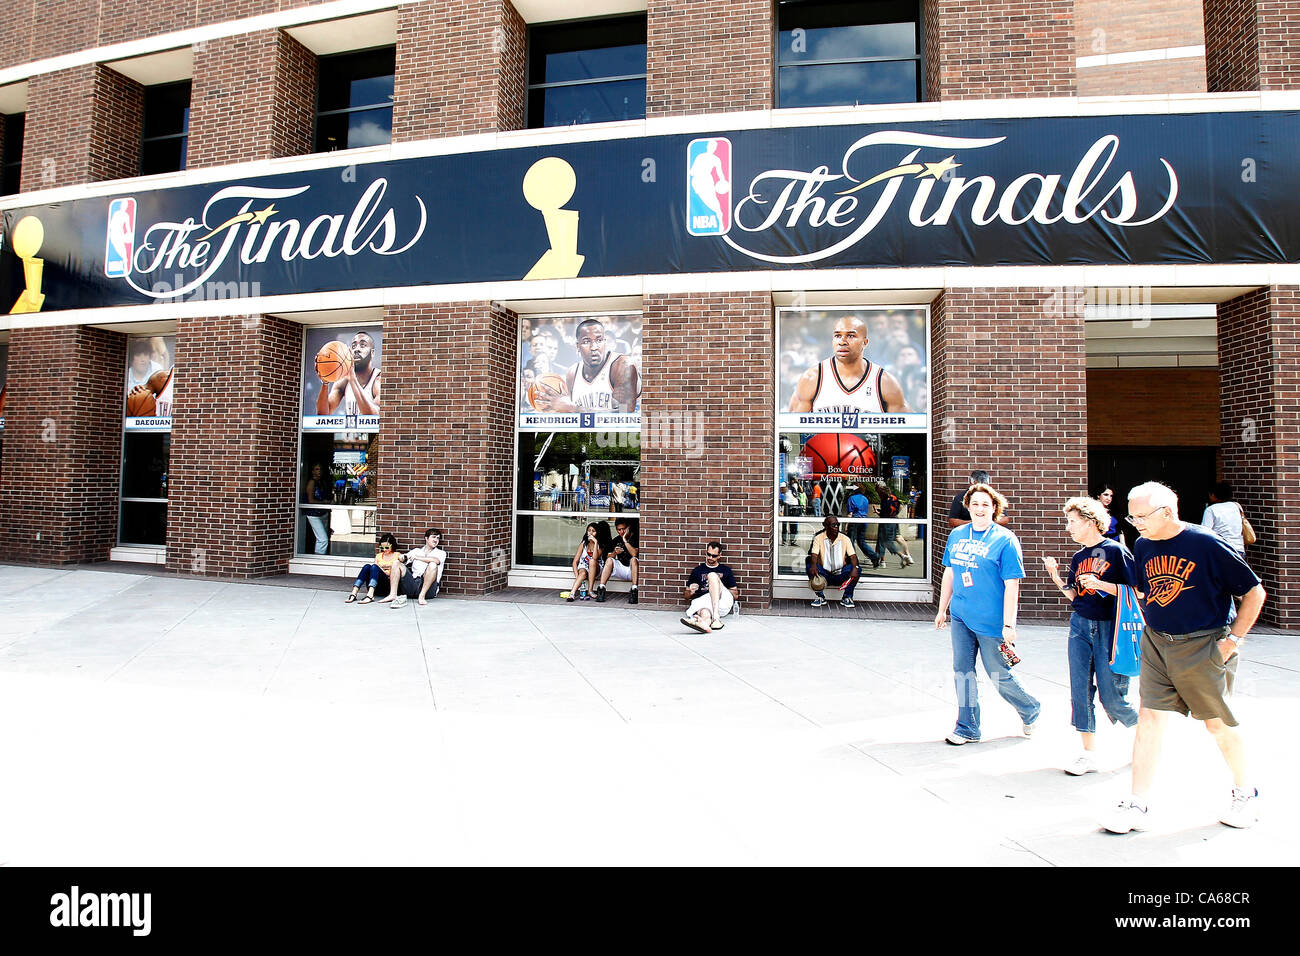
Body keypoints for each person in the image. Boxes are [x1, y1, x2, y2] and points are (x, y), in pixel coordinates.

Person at [1100, 482, 1266, 833]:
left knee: (1217, 724)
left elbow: (1254, 591)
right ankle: (1137, 803)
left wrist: (1232, 640)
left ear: (1166, 512)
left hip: (1203, 643)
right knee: (1149, 720)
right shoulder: (1143, 544)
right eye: (1131, 515)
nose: (1135, 522)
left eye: (1141, 515)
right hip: (1158, 643)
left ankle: (1245, 793)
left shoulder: (1205, 542)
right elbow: (1146, 589)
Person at [935, 482, 1041, 745]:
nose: (980, 509)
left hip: (991, 621)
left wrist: (1009, 624)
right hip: (961, 615)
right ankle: (967, 727)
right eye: (975, 504)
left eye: (985, 504)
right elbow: (950, 571)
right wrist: (942, 608)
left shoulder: (1004, 539)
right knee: (962, 670)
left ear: (995, 508)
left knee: (999, 674)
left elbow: (1012, 583)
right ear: (968, 507)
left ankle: (1030, 708)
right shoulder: (957, 535)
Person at [1041, 497, 1139, 775]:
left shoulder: (1116, 551)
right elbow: (1074, 595)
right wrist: (1056, 576)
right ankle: (1088, 754)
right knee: (1080, 690)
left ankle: (1146, 736)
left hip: (1109, 627)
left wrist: (1102, 585)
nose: (1068, 527)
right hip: (1080, 624)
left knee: (1112, 695)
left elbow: (1137, 592)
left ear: (1090, 521)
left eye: (1073, 521)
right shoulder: (1079, 556)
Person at [788, 314, 912, 414]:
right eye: (837, 336)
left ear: (865, 342)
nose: (842, 342)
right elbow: (791, 432)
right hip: (823, 445)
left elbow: (908, 433)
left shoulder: (884, 382)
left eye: (850, 336)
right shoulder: (812, 378)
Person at [532, 319, 640, 413]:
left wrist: (573, 408)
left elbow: (624, 414)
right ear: (577, 346)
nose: (594, 347)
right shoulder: (572, 373)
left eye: (599, 340)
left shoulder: (623, 365)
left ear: (605, 342)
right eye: (586, 341)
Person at [316, 331, 381, 417]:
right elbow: (323, 414)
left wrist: (353, 380)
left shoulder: (378, 380)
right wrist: (325, 382)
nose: (357, 349)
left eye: (363, 345)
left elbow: (374, 416)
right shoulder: (344, 381)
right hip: (349, 430)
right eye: (353, 346)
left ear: (372, 353)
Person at [681, 541, 738, 633]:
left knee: (712, 575)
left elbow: (735, 595)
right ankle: (705, 625)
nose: (710, 558)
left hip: (722, 601)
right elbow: (686, 597)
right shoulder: (697, 570)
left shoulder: (726, 570)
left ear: (720, 555)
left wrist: (717, 587)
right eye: (708, 554)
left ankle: (716, 618)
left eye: (714, 556)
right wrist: (690, 591)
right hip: (705, 602)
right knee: (704, 613)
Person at [805, 516, 861, 608]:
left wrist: (855, 568)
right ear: (826, 526)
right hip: (824, 575)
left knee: (857, 569)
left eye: (837, 525)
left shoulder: (845, 538)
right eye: (833, 525)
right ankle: (820, 596)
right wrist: (814, 565)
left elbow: (853, 556)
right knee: (810, 566)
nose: (836, 527)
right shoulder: (818, 538)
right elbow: (814, 554)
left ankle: (847, 597)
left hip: (841, 574)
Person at [383, 529, 445, 608]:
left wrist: (416, 557)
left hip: (429, 590)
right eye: (434, 537)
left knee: (432, 565)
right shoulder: (416, 551)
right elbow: (403, 559)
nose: (436, 540)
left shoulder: (441, 553)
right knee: (396, 563)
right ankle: (392, 594)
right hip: (413, 584)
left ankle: (421, 596)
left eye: (438, 538)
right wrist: (402, 557)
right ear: (426, 538)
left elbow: (436, 561)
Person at [562, 521, 612, 602]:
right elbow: (575, 561)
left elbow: (595, 557)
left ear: (597, 533)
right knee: (582, 573)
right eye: (589, 530)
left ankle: (590, 590)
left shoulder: (601, 545)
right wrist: (577, 577)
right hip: (584, 567)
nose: (591, 533)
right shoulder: (584, 543)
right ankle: (572, 594)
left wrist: (595, 542)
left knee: (592, 561)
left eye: (593, 531)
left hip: (596, 568)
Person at [347, 533, 401, 604]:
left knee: (375, 567)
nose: (384, 549)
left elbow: (397, 572)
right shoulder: (378, 556)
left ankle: (370, 596)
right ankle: (354, 592)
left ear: (392, 545)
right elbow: (374, 570)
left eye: (387, 547)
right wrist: (385, 567)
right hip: (375, 586)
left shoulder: (397, 555)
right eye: (382, 547)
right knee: (367, 566)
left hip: (387, 585)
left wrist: (382, 569)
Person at [597, 517, 639, 604]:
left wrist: (625, 540)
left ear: (628, 528)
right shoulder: (616, 540)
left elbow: (634, 553)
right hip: (622, 569)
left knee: (634, 560)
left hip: (634, 570)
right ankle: (601, 588)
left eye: (623, 529)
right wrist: (615, 553)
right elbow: (607, 556)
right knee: (609, 560)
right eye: (618, 530)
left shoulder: (635, 537)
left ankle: (634, 590)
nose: (621, 532)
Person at [874, 481, 915, 568]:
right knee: (894, 539)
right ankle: (880, 560)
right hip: (893, 521)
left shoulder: (884, 500)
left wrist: (879, 513)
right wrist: (895, 514)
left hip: (886, 523)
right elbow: (900, 506)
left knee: (885, 542)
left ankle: (902, 556)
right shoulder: (893, 497)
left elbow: (884, 514)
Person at [1201, 481, 1247, 557]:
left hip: (1221, 549)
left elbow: (1205, 532)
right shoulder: (1236, 506)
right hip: (1239, 549)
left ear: (1214, 495)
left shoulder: (1211, 509)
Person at [845, 485, 881, 569]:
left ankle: (852, 560)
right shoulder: (865, 499)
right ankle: (874, 556)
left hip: (854, 521)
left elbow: (850, 513)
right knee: (861, 542)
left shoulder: (852, 498)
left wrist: (847, 525)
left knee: (851, 541)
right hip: (863, 521)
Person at [302, 462, 331, 555]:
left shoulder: (322, 482)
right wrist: (324, 502)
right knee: (323, 539)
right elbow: (310, 500)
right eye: (317, 469)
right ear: (313, 471)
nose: (319, 472)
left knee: (323, 537)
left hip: (323, 513)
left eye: (320, 469)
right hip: (313, 514)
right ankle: (319, 557)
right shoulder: (312, 483)